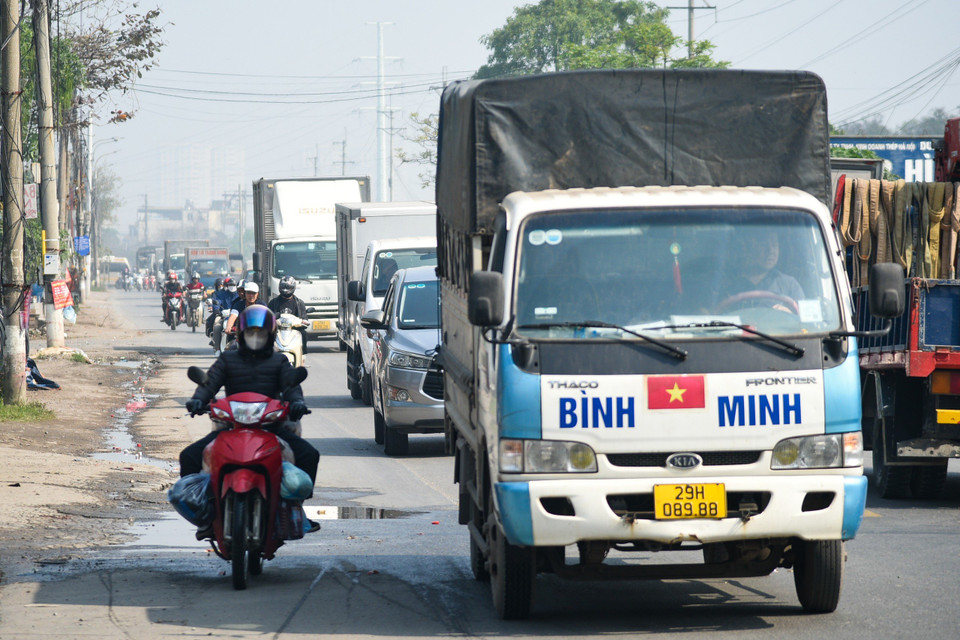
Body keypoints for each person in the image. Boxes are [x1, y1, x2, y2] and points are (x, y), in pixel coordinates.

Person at [180, 305, 320, 536]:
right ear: (242, 335)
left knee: (309, 455)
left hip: (272, 428)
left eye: (261, 334)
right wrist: (197, 401)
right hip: (229, 427)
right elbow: (209, 383)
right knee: (189, 456)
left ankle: (297, 509)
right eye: (251, 333)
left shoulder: (279, 362)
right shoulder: (227, 359)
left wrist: (297, 404)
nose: (256, 338)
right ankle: (204, 513)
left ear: (270, 336)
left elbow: (291, 386)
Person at [721, 228, 804, 312]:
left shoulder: (789, 285)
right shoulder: (726, 284)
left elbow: (804, 319)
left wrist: (787, 314)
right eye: (764, 245)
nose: (771, 251)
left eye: (774, 245)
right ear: (749, 247)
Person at [268, 275, 309, 353]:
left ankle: (302, 356)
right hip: (278, 330)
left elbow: (304, 318)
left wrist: (303, 322)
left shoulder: (299, 303)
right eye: (283, 286)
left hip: (294, 331)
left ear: (293, 287)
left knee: (304, 334)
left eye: (288, 287)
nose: (285, 289)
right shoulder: (273, 302)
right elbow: (268, 317)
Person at [222, 280, 262, 347]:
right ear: (245, 293)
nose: (251, 296)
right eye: (249, 293)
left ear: (257, 294)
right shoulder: (238, 304)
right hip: (241, 335)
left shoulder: (261, 305)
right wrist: (229, 327)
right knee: (230, 348)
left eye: (253, 293)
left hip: (259, 336)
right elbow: (233, 316)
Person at [208, 276, 239, 345]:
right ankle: (217, 347)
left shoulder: (239, 295)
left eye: (233, 285)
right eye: (230, 285)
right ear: (227, 286)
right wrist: (217, 310)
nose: (232, 287)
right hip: (224, 316)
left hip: (238, 318)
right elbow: (217, 302)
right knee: (217, 327)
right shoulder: (222, 294)